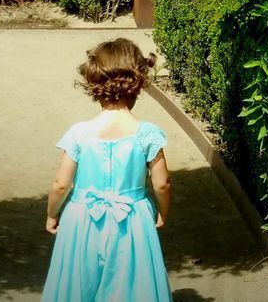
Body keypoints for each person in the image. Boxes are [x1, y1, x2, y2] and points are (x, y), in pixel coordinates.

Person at [42, 38, 173, 301]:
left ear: (94, 85)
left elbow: (60, 183)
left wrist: (51, 214)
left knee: (79, 284)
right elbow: (162, 184)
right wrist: (163, 211)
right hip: (132, 220)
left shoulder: (79, 133)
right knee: (131, 288)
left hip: (83, 219)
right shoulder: (148, 134)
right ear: (137, 85)